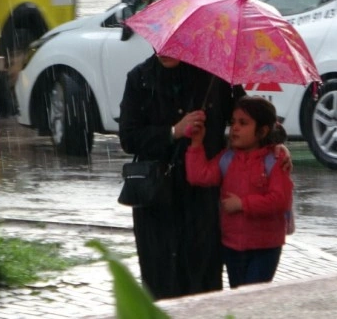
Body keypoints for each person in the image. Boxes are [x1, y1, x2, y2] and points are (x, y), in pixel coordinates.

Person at [118, 54, 290, 300]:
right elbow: (129, 137)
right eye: (160, 46)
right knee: (161, 280)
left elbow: (252, 117)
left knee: (203, 279)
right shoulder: (140, 79)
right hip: (157, 197)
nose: (165, 52)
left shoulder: (212, 75)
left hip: (202, 197)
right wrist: (173, 132)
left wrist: (275, 144)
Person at [185, 95, 294, 289]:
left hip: (265, 247)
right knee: (239, 294)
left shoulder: (274, 161)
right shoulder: (227, 158)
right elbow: (199, 176)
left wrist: (243, 204)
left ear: (262, 131)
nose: (234, 128)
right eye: (233, 122)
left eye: (243, 123)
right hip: (232, 245)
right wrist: (196, 144)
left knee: (252, 297)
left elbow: (280, 200)